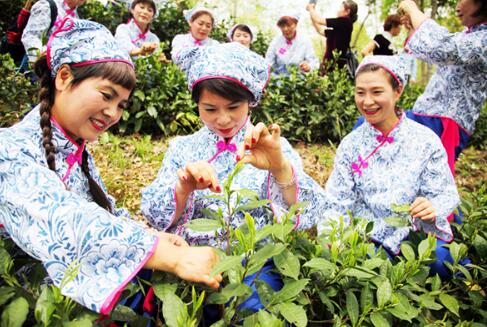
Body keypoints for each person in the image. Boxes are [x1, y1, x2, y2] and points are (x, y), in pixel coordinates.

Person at [0, 17, 221, 316]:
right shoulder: (9, 149)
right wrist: (165, 255)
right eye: (106, 96)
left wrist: (152, 238)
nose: (112, 113)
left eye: (121, 105)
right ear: (64, 77)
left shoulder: (76, 150)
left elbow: (105, 211)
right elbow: (61, 216)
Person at [141, 42, 326, 310]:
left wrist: (279, 166)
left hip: (254, 262)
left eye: (233, 107)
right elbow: (155, 215)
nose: (223, 119)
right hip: (194, 258)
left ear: (251, 102)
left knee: (251, 307)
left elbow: (306, 214)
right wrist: (182, 189)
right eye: (210, 109)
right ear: (196, 104)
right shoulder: (182, 148)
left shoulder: (272, 145)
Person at [319, 55, 461, 278]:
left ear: (398, 91)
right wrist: (331, 236)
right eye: (360, 92)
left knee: (446, 264)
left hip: (415, 234)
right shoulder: (350, 145)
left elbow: (445, 193)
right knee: (363, 272)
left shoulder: (425, 140)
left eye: (377, 92)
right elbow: (337, 201)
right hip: (370, 237)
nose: (367, 101)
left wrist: (431, 206)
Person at [398, 0, 487, 173]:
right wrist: (416, 28)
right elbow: (432, 53)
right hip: (426, 116)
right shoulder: (468, 35)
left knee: (427, 181)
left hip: (445, 123)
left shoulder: (483, 40)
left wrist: (413, 10)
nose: (457, 5)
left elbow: (440, 46)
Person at [21, 0, 85, 64]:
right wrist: (38, 61)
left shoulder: (78, 17)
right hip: (40, 64)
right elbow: (30, 36)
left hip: (62, 67)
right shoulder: (47, 6)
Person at [306, 0, 358, 74]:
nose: (338, 10)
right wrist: (311, 12)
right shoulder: (338, 29)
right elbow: (320, 30)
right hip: (328, 66)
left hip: (336, 68)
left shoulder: (345, 22)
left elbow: (319, 20)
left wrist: (311, 8)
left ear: (347, 11)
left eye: (340, 8)